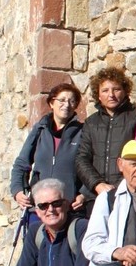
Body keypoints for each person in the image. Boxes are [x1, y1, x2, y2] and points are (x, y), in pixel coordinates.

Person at [9, 82, 85, 213]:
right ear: (51, 103)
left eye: (72, 101)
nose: (67, 105)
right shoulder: (40, 130)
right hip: (39, 208)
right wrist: (17, 191)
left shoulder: (83, 132)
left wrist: (84, 194)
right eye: (62, 100)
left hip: (69, 208)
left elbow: (92, 166)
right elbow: (21, 163)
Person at [75, 66, 136, 207]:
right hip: (96, 195)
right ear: (98, 95)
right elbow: (82, 158)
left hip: (128, 194)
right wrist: (97, 184)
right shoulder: (91, 122)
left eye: (116, 89)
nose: (111, 95)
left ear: (125, 91)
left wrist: (119, 187)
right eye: (105, 90)